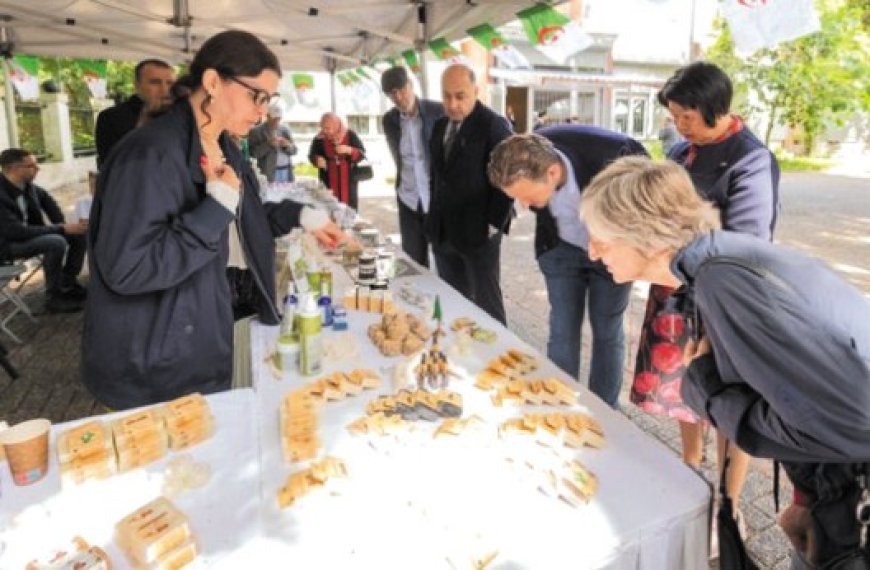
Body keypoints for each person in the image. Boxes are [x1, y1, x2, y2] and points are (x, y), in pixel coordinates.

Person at [581, 156, 870, 570]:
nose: (592, 251)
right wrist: (807, 499)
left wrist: (708, 392)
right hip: (837, 489)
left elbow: (851, 421)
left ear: (648, 238)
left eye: (601, 239)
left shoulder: (724, 282)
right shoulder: (718, 263)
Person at [83, 30, 348, 410]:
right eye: (256, 96)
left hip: (206, 329)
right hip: (158, 363)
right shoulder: (149, 155)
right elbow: (128, 268)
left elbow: (246, 217)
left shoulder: (225, 146)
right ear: (211, 82)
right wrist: (214, 209)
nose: (262, 112)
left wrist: (303, 215)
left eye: (269, 100)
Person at [634, 60, 781, 536]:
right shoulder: (682, 152)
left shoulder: (750, 159)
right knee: (682, 387)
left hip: (722, 297)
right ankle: (691, 469)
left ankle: (729, 501)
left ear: (717, 109)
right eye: (675, 116)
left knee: (727, 398)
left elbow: (747, 241)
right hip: (675, 288)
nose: (680, 126)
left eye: (688, 117)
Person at [487, 128, 647, 408]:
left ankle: (604, 410)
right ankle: (560, 403)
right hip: (560, 249)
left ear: (552, 173)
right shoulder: (525, 153)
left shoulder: (617, 156)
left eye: (530, 198)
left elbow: (652, 201)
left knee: (607, 330)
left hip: (612, 256)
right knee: (562, 329)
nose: (524, 207)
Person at [427, 64, 513, 325]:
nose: (452, 104)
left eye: (460, 96)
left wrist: (493, 225)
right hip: (443, 232)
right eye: (446, 96)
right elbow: (437, 175)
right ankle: (460, 352)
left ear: (476, 91)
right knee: (453, 300)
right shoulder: (440, 125)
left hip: (478, 234)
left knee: (487, 306)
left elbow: (508, 180)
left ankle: (501, 357)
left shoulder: (494, 125)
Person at [0, 149, 87, 313]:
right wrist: (61, 228)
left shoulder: (27, 186)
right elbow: (15, 232)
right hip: (7, 245)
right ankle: (53, 298)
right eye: (31, 165)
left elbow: (48, 201)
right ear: (13, 169)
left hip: (24, 236)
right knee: (55, 242)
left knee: (77, 234)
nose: (37, 168)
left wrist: (63, 225)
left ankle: (67, 282)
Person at [380, 66, 444, 268]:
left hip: (436, 199)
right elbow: (398, 157)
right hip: (408, 199)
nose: (398, 97)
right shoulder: (389, 120)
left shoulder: (438, 111)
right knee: (413, 261)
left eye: (401, 89)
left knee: (444, 259)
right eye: (392, 94)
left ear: (411, 85)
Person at [95, 58, 175, 167]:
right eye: (155, 82)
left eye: (170, 83)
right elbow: (109, 165)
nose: (164, 89)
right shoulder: (111, 117)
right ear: (137, 85)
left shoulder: (177, 114)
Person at [308, 113, 365, 210]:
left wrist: (349, 150)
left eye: (328, 128)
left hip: (348, 180)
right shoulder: (319, 138)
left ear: (336, 125)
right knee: (329, 208)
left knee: (349, 210)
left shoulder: (350, 135)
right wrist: (317, 160)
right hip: (327, 179)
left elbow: (362, 154)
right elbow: (312, 155)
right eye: (322, 127)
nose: (324, 131)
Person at [248, 103, 297, 182]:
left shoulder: (285, 129)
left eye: (279, 118)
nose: (277, 121)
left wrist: (287, 145)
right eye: (274, 118)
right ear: (267, 116)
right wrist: (268, 144)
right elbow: (253, 153)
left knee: (287, 193)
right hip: (268, 174)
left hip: (286, 171)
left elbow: (295, 151)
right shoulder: (256, 131)